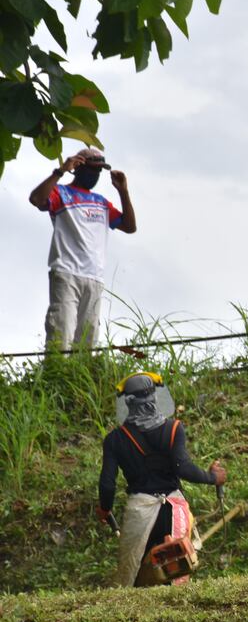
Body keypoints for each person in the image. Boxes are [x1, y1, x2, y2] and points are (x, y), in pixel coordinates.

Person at [96, 372, 226, 587]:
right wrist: (212, 477)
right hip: (173, 511)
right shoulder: (174, 429)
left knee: (132, 574)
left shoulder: (114, 439)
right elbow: (182, 468)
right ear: (154, 397)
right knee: (178, 565)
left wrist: (104, 508)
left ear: (128, 403)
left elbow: (107, 483)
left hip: (140, 512)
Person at [28, 148, 137, 350]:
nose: (95, 175)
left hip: (95, 278)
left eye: (99, 171)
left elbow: (130, 227)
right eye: (92, 169)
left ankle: (79, 381)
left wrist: (123, 191)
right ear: (78, 167)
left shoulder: (102, 202)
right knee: (62, 333)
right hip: (67, 273)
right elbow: (36, 199)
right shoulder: (61, 192)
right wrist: (60, 171)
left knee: (88, 342)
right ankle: (56, 378)